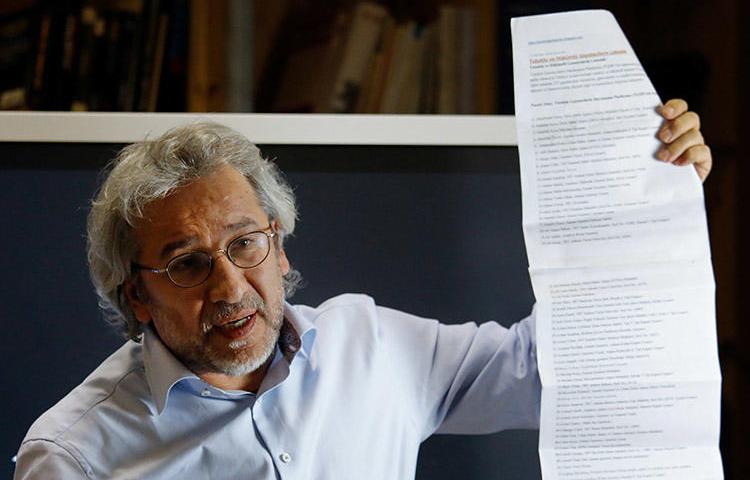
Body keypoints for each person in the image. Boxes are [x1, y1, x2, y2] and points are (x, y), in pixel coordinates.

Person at [14, 99, 712, 479]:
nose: (231, 285)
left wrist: (643, 203)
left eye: (245, 244)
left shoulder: (371, 346)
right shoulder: (73, 456)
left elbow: (551, 372)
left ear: (279, 246)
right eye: (187, 264)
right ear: (136, 296)